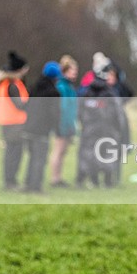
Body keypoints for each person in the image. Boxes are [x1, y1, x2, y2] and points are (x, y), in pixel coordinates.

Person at [77, 62, 128, 188]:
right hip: (108, 130)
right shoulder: (111, 94)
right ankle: (108, 181)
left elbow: (80, 112)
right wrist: (119, 129)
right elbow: (118, 115)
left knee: (90, 154)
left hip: (90, 130)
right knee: (107, 155)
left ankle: (92, 181)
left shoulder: (87, 93)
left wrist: (84, 124)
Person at [22, 62, 61, 193]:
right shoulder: (53, 92)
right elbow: (55, 113)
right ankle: (36, 187)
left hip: (28, 127)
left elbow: (26, 105)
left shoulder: (34, 87)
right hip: (42, 130)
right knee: (40, 159)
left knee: (32, 158)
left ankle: (28, 184)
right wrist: (57, 129)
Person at [0, 51, 30, 190]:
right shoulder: (12, 85)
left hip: (9, 122)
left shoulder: (6, 83)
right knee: (14, 154)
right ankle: (10, 182)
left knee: (12, 153)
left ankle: (10, 181)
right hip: (14, 123)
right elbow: (20, 104)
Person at [50, 55, 79, 187]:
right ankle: (54, 178)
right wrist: (64, 125)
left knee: (63, 152)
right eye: (72, 70)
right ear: (65, 71)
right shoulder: (62, 87)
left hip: (69, 124)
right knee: (58, 150)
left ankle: (59, 177)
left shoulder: (70, 87)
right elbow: (63, 108)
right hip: (62, 124)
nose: (75, 73)